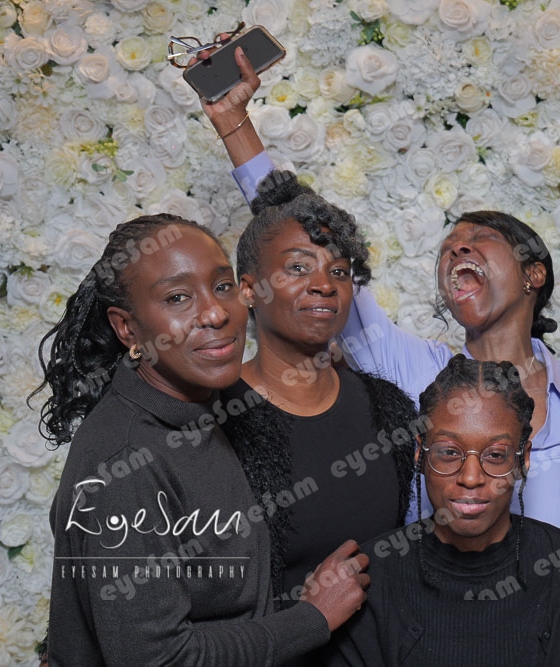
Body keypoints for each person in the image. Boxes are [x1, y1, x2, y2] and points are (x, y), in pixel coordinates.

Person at [200, 48, 560, 537]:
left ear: (533, 274)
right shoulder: (407, 369)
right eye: (448, 249)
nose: (458, 250)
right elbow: (311, 230)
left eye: (480, 239)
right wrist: (234, 123)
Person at [38, 214, 367, 665]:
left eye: (223, 286)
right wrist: (312, 618)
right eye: (178, 298)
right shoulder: (125, 464)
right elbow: (158, 660)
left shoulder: (206, 408)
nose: (215, 313)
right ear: (127, 328)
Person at [323, 356, 560, 666]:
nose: (470, 477)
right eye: (448, 452)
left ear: (523, 459)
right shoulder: (367, 583)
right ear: (420, 453)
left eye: (495, 455)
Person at [216, 170, 417, 617]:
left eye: (339, 271)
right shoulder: (213, 418)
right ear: (248, 290)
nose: (324, 284)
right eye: (298, 267)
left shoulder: (387, 408)